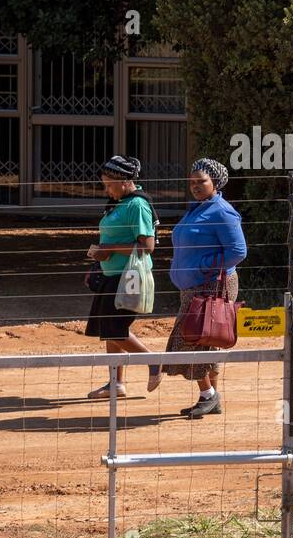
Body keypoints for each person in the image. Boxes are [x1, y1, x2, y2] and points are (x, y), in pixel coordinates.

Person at [160, 158, 248, 418]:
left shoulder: (221, 211)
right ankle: (210, 399)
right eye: (193, 182)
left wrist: (202, 268)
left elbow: (238, 251)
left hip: (211, 286)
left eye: (202, 181)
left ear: (216, 183)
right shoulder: (197, 208)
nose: (196, 186)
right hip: (193, 285)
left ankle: (208, 395)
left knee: (189, 338)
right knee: (207, 340)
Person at [84, 156, 159, 398]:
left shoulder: (136, 205)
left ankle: (153, 361)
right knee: (109, 329)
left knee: (115, 329)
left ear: (125, 181)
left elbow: (147, 245)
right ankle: (115, 383)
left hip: (129, 276)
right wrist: (100, 255)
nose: (107, 189)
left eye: (109, 184)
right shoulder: (119, 202)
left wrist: (111, 250)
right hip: (112, 274)